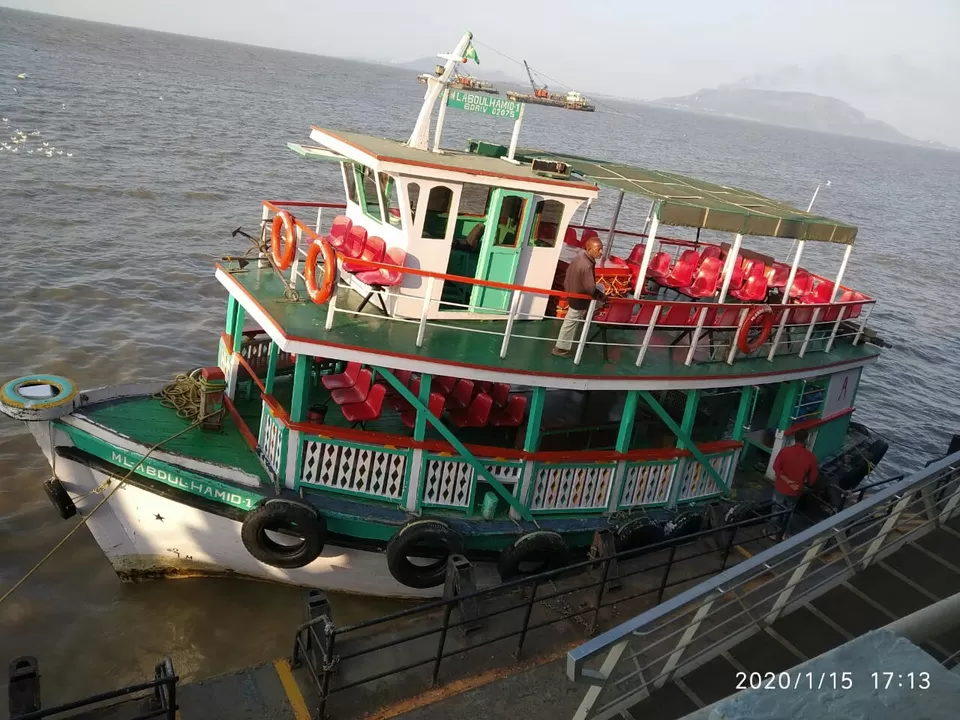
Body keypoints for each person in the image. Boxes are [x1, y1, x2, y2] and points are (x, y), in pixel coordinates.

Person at [552, 236, 605, 358]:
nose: (601, 252)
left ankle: (594, 309)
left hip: (572, 292)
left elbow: (568, 276)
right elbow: (590, 289)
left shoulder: (579, 257)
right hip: (579, 298)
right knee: (571, 322)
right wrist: (602, 298)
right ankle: (561, 348)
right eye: (598, 249)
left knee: (600, 286)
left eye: (601, 249)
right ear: (590, 249)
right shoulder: (587, 265)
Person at [771, 428, 819, 536]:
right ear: (806, 440)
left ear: (794, 438)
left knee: (776, 510)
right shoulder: (811, 457)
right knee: (789, 511)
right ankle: (785, 534)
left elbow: (776, 467)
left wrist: (787, 480)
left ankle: (772, 533)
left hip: (781, 486)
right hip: (796, 490)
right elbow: (813, 477)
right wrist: (808, 484)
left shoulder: (785, 451)